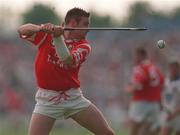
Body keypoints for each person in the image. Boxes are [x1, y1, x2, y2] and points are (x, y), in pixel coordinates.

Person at [18, 7, 115, 135]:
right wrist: (41, 28)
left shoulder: (84, 45)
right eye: (85, 24)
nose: (89, 29)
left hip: (73, 98)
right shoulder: (47, 35)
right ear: (74, 24)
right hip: (47, 99)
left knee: (106, 133)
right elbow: (21, 30)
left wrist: (57, 37)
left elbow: (67, 60)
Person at [125, 47, 164, 135]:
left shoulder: (139, 68)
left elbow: (137, 85)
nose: (134, 58)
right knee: (151, 129)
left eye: (135, 56)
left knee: (134, 129)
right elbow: (162, 83)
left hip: (140, 102)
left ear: (140, 55)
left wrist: (128, 90)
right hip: (154, 103)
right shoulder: (155, 68)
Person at [161, 61, 180, 135]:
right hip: (167, 113)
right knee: (165, 132)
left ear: (178, 68)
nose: (172, 69)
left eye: (174, 67)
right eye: (171, 67)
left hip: (177, 114)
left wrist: (174, 114)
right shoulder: (166, 81)